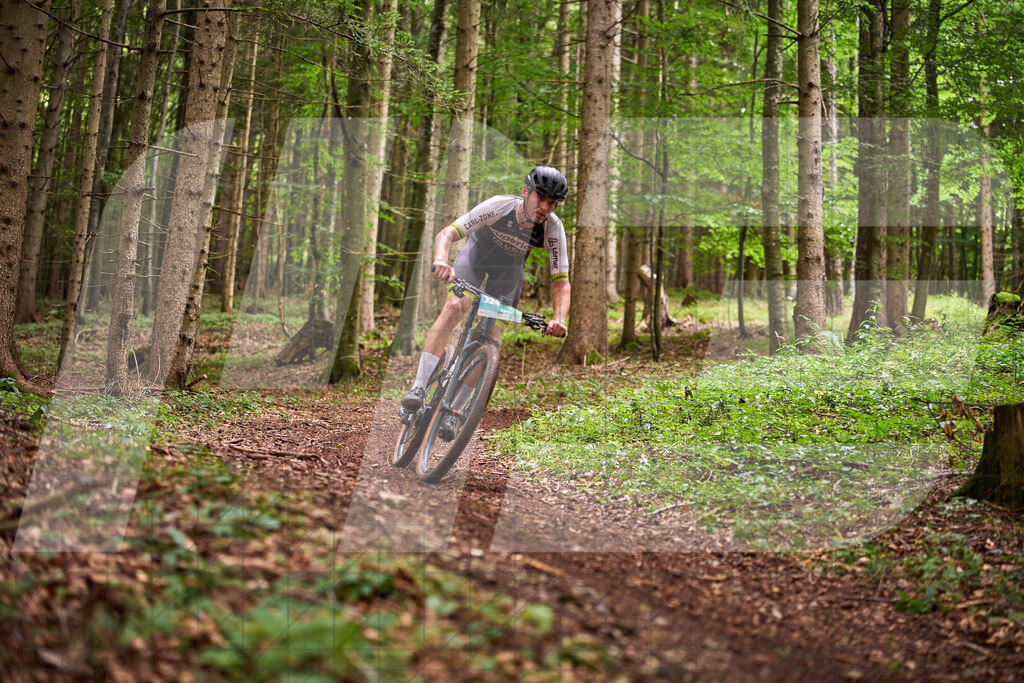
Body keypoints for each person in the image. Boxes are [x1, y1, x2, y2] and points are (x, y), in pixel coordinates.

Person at [401, 166, 571, 421]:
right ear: (526, 192)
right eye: (540, 198)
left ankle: (454, 412)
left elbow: (561, 283)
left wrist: (559, 318)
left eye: (551, 203)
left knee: (492, 335)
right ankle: (418, 388)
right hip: (476, 257)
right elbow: (448, 233)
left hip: (508, 273)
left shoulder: (553, 230)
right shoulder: (498, 206)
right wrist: (441, 260)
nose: (545, 207)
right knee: (456, 307)